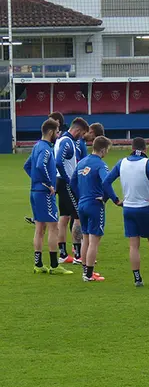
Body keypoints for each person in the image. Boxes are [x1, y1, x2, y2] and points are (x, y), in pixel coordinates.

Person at [103, 137, 149, 287]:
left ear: (131, 147)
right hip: (144, 208)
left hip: (128, 208)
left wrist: (116, 200)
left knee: (133, 245)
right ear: (145, 149)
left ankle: (137, 279)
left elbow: (106, 182)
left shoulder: (121, 162)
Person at [23, 118, 73, 275]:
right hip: (44, 193)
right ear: (51, 132)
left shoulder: (37, 146)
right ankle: (54, 265)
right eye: (57, 132)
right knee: (54, 227)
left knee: (40, 228)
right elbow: (40, 165)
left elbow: (28, 166)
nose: (58, 134)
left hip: (35, 192)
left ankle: (38, 264)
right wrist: (48, 184)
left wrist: (36, 181)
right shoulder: (45, 149)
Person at [71, 136, 120, 282]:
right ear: (103, 149)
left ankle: (86, 272)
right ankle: (89, 275)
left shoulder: (82, 163)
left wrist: (82, 195)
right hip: (94, 204)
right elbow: (107, 182)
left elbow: (73, 183)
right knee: (94, 240)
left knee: (86, 238)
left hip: (82, 204)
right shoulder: (100, 164)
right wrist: (114, 199)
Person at [53, 117, 89, 265]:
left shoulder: (61, 139)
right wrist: (69, 179)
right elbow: (58, 161)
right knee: (78, 217)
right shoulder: (68, 142)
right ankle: (78, 255)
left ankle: (62, 253)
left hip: (59, 181)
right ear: (78, 130)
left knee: (64, 216)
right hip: (66, 183)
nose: (81, 137)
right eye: (82, 134)